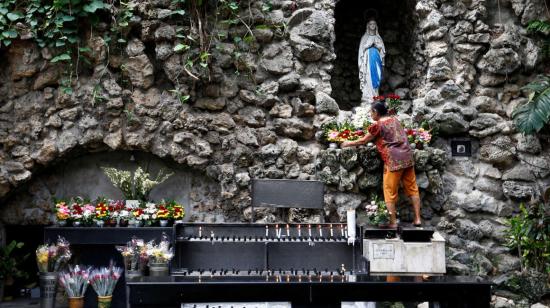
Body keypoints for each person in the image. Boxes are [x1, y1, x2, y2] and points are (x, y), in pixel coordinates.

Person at [342, 102, 422, 227]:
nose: (370, 114)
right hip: (407, 157)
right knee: (412, 188)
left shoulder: (378, 125)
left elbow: (364, 140)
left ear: (376, 112)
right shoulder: (395, 120)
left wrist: (347, 143)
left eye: (371, 112)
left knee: (389, 191)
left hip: (393, 160)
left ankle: (393, 222)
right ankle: (417, 219)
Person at [358, 19, 386, 104]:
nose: (372, 25)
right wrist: (368, 45)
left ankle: (375, 96)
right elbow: (361, 50)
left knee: (377, 76)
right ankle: (368, 97)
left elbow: (383, 51)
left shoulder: (378, 37)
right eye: (371, 24)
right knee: (368, 77)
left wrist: (378, 46)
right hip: (367, 60)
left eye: (374, 23)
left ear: (376, 26)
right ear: (368, 26)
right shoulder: (365, 37)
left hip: (376, 59)